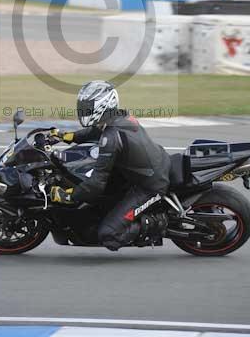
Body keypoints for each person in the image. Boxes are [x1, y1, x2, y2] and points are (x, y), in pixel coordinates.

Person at [50, 80, 171, 251]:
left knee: (108, 235)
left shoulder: (111, 138)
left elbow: (96, 184)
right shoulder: (119, 117)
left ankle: (156, 224)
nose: (83, 110)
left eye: (87, 107)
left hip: (150, 185)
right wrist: (68, 136)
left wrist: (69, 196)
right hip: (149, 166)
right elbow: (95, 131)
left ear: (102, 106)